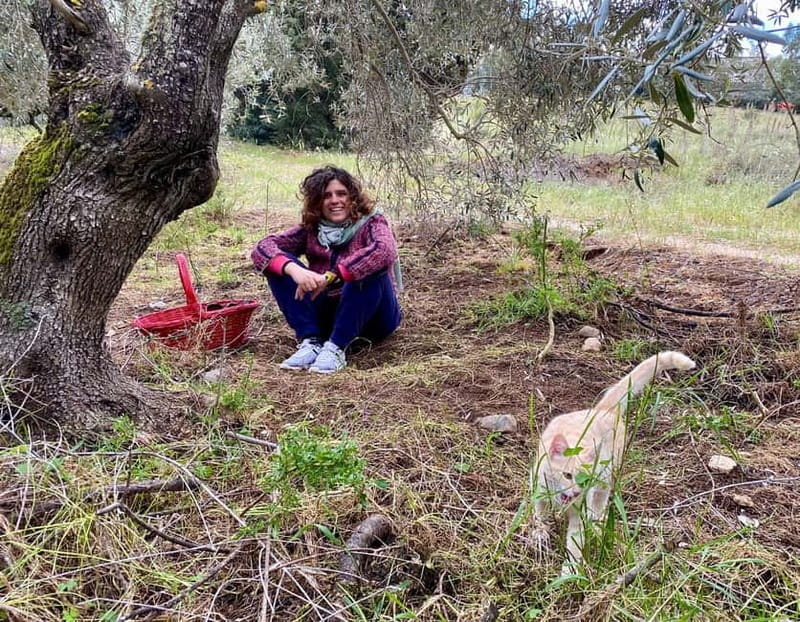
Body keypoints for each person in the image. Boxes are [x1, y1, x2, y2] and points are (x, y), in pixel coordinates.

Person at [251, 165, 402, 373]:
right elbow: (262, 249)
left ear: (353, 198)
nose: (335, 201)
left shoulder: (372, 222)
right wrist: (295, 270)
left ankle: (336, 348)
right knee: (277, 263)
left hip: (373, 317)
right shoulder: (312, 230)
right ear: (317, 202)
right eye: (326, 196)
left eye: (342, 194)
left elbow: (384, 250)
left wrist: (332, 276)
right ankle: (311, 342)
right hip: (328, 314)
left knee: (368, 267)